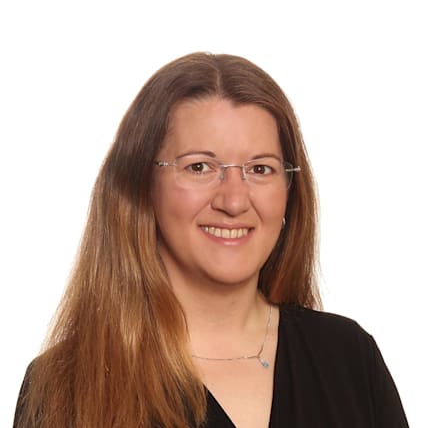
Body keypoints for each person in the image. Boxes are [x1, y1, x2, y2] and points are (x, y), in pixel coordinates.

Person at [14, 52, 409, 427]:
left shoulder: (349, 359)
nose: (234, 200)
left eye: (260, 168)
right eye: (200, 166)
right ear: (141, 187)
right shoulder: (65, 387)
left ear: (289, 190)